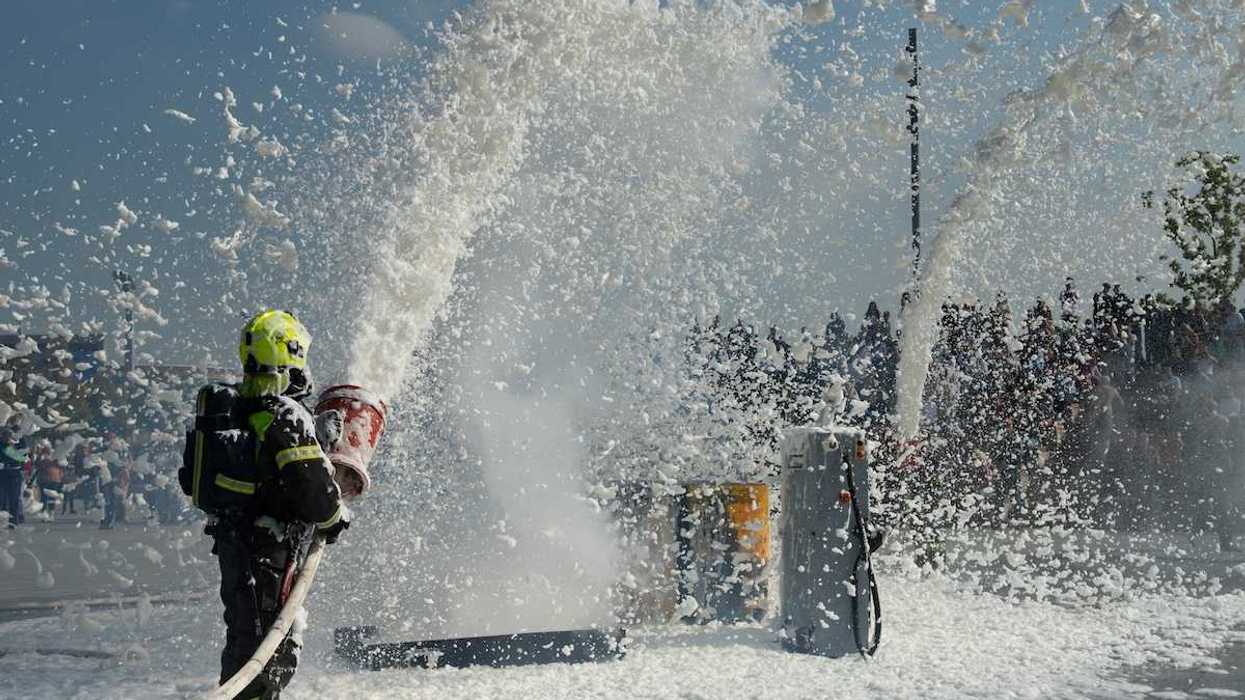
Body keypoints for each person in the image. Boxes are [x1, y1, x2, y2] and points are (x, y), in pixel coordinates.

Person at [181, 309, 348, 700]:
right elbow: (315, 493)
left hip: (235, 542)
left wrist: (318, 439)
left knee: (245, 637)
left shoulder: (239, 407)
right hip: (269, 551)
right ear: (291, 356)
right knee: (269, 650)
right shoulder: (287, 415)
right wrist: (335, 517)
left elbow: (258, 470)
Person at [1, 424, 29, 527]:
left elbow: (23, 457)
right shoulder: (2, 445)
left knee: (14, 499)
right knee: (3, 499)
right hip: (3, 473)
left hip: (15, 474)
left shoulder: (17, 444)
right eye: (5, 436)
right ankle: (4, 521)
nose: (7, 438)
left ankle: (13, 521)